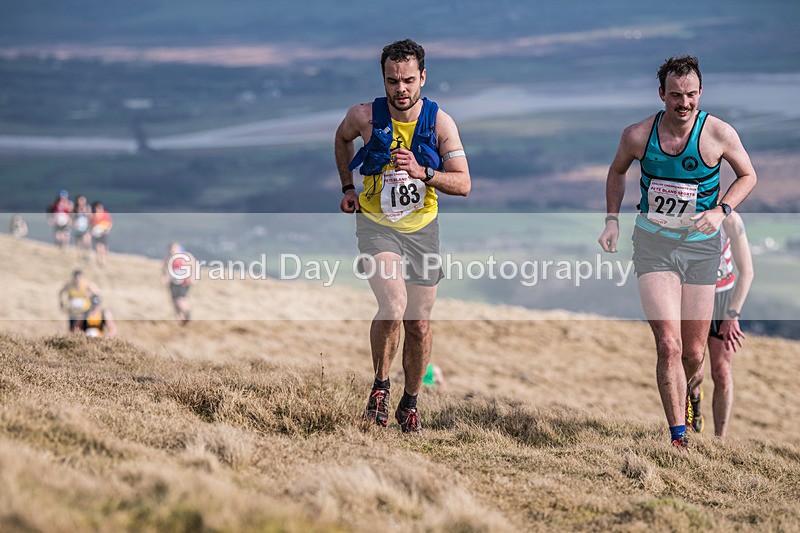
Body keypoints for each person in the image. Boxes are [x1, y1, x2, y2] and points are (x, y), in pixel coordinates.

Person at [597, 56, 757, 449]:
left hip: (701, 251)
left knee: (694, 354)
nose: (683, 103)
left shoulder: (718, 133)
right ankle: (678, 438)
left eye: (690, 95)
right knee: (668, 343)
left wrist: (721, 211)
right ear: (661, 95)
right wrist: (612, 219)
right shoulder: (638, 135)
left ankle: (693, 390)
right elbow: (617, 172)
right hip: (653, 245)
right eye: (675, 95)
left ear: (700, 93)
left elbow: (748, 175)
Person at [334, 39, 470, 433]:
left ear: (423, 77)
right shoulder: (363, 116)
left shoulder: (440, 123)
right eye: (393, 81)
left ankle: (410, 402)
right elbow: (341, 140)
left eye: (409, 80)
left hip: (423, 230)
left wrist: (423, 172)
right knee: (393, 306)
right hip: (377, 225)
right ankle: (380, 388)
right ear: (384, 79)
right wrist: (347, 188)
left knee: (418, 322)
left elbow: (464, 184)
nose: (401, 89)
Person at [688, 211, 753, 437]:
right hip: (693, 296)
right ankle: (693, 404)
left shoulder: (731, 220)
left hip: (722, 298)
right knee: (694, 371)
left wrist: (732, 314)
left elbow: (747, 271)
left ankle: (720, 440)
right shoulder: (686, 213)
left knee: (722, 372)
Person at [58, 270, 101, 334]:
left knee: (84, 331)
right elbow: (61, 292)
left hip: (84, 313)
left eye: (79, 278)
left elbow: (97, 294)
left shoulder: (87, 284)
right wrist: (62, 304)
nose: (77, 280)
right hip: (73, 313)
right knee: (73, 330)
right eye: (76, 278)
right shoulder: (69, 285)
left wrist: (94, 306)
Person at [162, 242, 195, 324]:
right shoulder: (168, 258)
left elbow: (193, 265)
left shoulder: (185, 256)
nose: (173, 250)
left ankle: (187, 315)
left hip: (183, 281)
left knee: (180, 301)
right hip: (173, 282)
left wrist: (192, 276)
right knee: (174, 302)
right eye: (171, 249)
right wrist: (165, 276)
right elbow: (164, 268)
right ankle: (180, 320)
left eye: (175, 248)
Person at [90, 201, 113, 268]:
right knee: (98, 248)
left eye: (100, 207)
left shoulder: (105, 214)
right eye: (98, 207)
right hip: (96, 234)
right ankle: (98, 262)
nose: (99, 208)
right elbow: (91, 225)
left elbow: (109, 223)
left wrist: (107, 230)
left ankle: (103, 261)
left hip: (103, 233)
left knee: (103, 248)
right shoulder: (93, 216)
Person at [72, 195, 92, 262]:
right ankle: (79, 257)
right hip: (78, 228)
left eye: (83, 200)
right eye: (80, 200)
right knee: (79, 243)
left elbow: (90, 217)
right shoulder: (75, 209)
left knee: (86, 243)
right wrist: (74, 224)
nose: (82, 201)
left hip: (86, 228)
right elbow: (71, 217)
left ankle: (86, 256)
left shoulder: (87, 208)